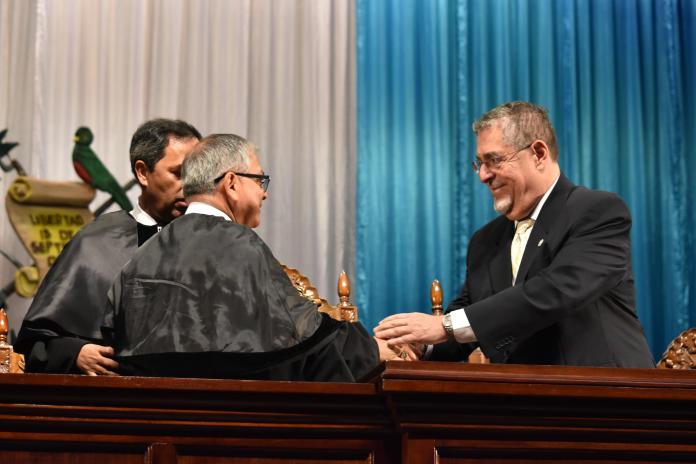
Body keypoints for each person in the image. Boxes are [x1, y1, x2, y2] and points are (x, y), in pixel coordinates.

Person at [374, 101, 654, 368]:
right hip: (521, 400)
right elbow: (469, 321)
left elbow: (555, 290)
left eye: (493, 160)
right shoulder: (485, 240)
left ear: (539, 153)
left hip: (605, 397)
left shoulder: (597, 211)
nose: (483, 175)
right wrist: (417, 344)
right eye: (479, 164)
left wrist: (444, 327)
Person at [102, 134, 382, 381]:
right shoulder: (240, 246)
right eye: (260, 180)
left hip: (153, 423)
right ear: (232, 183)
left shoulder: (142, 256)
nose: (265, 193)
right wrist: (370, 348)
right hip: (236, 424)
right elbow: (304, 339)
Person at [14, 119, 201, 374]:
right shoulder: (96, 242)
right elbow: (35, 343)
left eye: (198, 174)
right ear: (143, 173)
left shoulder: (211, 243)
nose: (190, 186)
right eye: (179, 173)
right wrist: (74, 353)